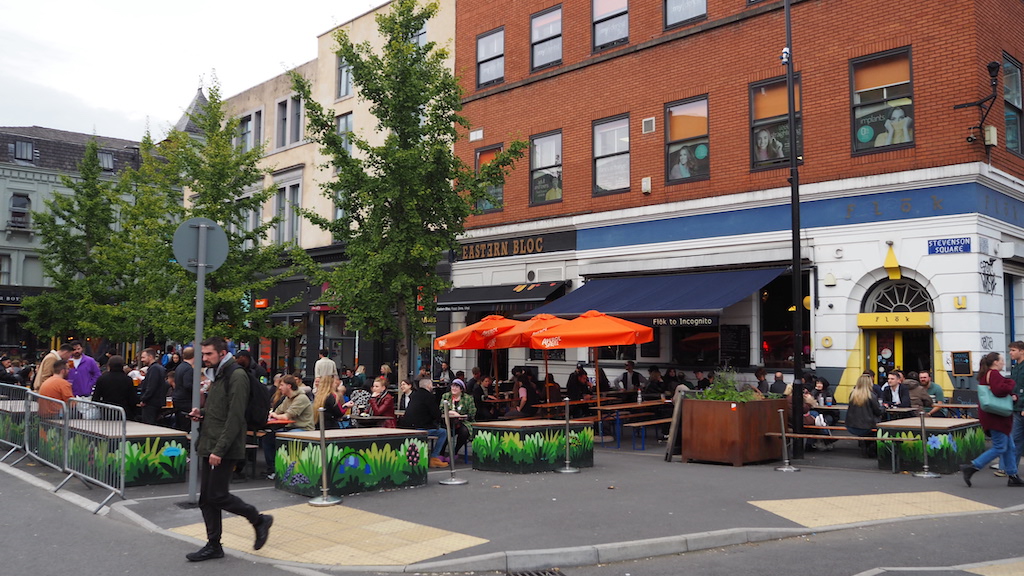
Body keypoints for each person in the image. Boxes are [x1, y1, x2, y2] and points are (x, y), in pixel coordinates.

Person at [185, 337, 272, 562]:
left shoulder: (236, 376)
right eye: (202, 354)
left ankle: (258, 519)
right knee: (206, 498)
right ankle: (214, 545)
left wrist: (220, 450)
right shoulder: (219, 374)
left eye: (208, 354)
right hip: (210, 441)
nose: (204, 359)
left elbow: (235, 417)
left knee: (218, 495)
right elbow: (220, 411)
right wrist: (201, 414)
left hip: (224, 446)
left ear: (222, 353)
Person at [960, 351, 1024, 487]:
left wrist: (1012, 396)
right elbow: (998, 390)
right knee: (1000, 447)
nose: (1003, 362)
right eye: (1001, 360)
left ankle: (1013, 475)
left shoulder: (987, 374)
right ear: (995, 362)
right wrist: (1011, 383)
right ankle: (972, 467)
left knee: (1010, 447)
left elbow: (997, 391)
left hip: (995, 416)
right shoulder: (994, 374)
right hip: (997, 418)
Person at [263, 375, 315, 478]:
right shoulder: (288, 398)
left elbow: (286, 415)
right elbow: (277, 411)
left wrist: (274, 415)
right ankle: (273, 470)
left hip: (304, 429)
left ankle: (284, 471)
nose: (279, 387)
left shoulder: (301, 398)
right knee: (267, 437)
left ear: (289, 386)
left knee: (281, 438)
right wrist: (274, 414)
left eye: (282, 385)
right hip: (291, 427)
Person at [396, 378, 448, 468]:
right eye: (431, 385)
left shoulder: (414, 396)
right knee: (443, 432)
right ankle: (434, 458)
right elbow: (436, 414)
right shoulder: (428, 396)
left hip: (408, 426)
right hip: (421, 427)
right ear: (428, 386)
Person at [845, 374, 884, 456]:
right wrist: (884, 408)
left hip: (851, 425)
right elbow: (878, 411)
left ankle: (865, 445)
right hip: (867, 426)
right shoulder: (871, 396)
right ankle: (872, 448)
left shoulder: (852, 394)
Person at [90, 355, 137, 420]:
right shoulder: (127, 379)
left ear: (109, 365)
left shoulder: (102, 378)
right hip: (123, 412)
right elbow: (132, 398)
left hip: (106, 412)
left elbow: (95, 398)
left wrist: (102, 407)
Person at [440, 379, 476, 460]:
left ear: (461, 389)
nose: (454, 388)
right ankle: (441, 453)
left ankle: (455, 452)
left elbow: (472, 413)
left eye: (457, 386)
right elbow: (441, 409)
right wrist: (451, 412)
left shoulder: (468, 398)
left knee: (464, 431)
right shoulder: (446, 396)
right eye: (453, 386)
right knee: (444, 431)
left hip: (463, 422)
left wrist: (461, 416)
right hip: (448, 422)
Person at [138, 348, 168, 425]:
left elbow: (151, 386)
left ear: (150, 357)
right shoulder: (159, 368)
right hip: (156, 402)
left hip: (151, 404)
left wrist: (144, 399)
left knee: (148, 425)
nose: (142, 360)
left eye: (143, 357)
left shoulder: (154, 369)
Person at [172, 347, 195, 432]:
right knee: (186, 426)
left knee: (179, 424)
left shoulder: (180, 367)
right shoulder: (189, 369)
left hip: (177, 399)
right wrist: (197, 389)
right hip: (185, 401)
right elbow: (188, 385)